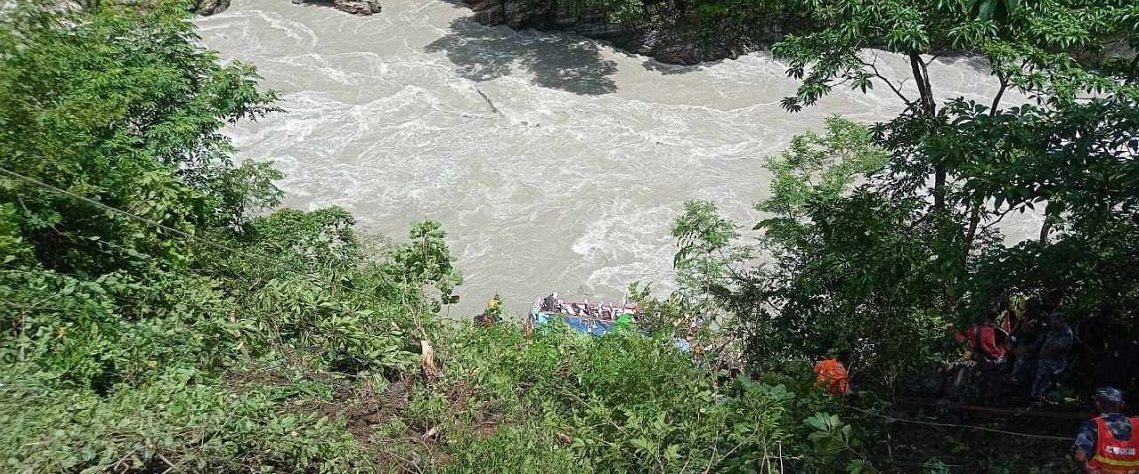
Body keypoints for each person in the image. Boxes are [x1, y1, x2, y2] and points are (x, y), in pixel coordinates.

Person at [1073, 387, 1139, 473]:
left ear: (1098, 404)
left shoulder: (1093, 425)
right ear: (1122, 404)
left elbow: (1080, 457)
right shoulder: (1137, 424)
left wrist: (1087, 469)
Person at [1032, 311, 1075, 403]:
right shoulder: (1053, 331)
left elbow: (1056, 349)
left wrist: (1043, 353)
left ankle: (1041, 397)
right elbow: (1039, 344)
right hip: (1045, 359)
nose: (1051, 323)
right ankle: (1036, 396)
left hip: (1056, 362)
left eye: (1054, 321)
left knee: (1045, 376)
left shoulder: (1066, 333)